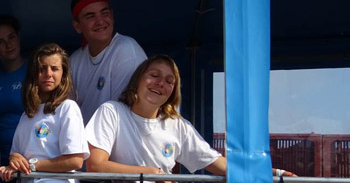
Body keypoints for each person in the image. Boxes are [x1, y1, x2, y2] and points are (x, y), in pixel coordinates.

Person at [84, 55, 296, 182]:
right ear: (138, 78)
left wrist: (273, 173)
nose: (160, 83)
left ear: (173, 91)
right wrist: (152, 174)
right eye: (154, 75)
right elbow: (95, 165)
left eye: (169, 81)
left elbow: (217, 163)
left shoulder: (177, 126)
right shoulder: (112, 112)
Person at [0, 43, 89, 183]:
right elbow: (17, 153)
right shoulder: (27, 114)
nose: (48, 74)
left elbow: (74, 161)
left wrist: (32, 166)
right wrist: (14, 160)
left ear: (63, 73)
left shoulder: (68, 108)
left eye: (55, 68)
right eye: (42, 68)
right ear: (34, 72)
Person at [67, 0, 147, 123]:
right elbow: (65, 112)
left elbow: (124, 117)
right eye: (90, 16)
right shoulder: (74, 60)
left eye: (104, 13)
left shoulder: (126, 50)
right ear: (77, 26)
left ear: (112, 16)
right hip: (84, 141)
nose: (100, 21)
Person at [0, 15, 27, 166]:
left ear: (19, 37)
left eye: (11, 37)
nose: (8, 45)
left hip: (29, 156)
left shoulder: (37, 72)